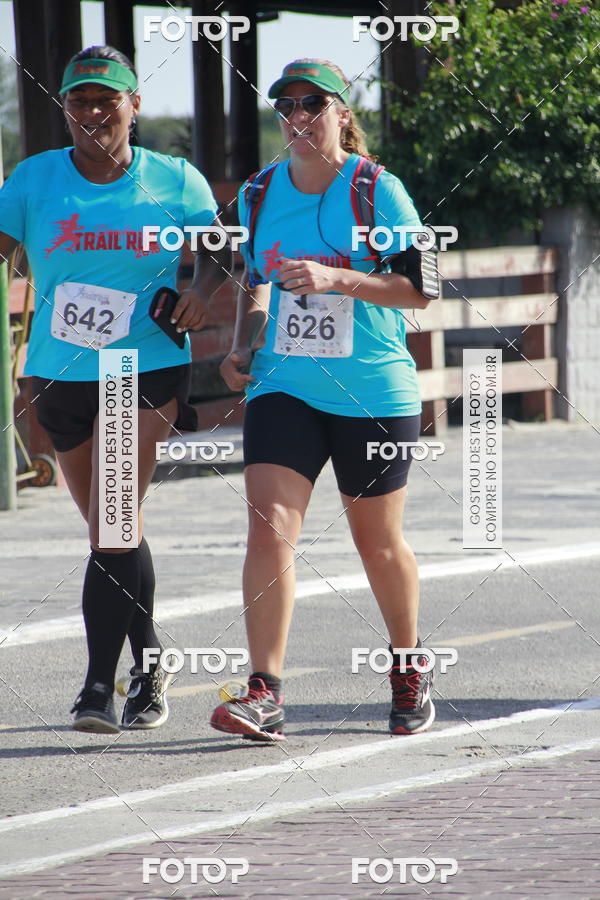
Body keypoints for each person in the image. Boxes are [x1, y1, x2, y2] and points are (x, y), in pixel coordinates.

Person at [0, 46, 229, 733]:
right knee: (113, 531)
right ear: (64, 109)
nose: (94, 113)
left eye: (107, 100)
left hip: (143, 369)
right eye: (80, 101)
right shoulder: (32, 181)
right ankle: (152, 663)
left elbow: (222, 249)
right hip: (59, 374)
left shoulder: (176, 180)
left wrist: (201, 289)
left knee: (114, 524)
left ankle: (98, 688)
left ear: (133, 106)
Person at [210, 59, 438, 742]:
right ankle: (265, 690)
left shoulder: (378, 191)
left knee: (377, 543)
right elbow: (257, 282)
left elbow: (420, 291)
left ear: (342, 113)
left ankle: (408, 665)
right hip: (287, 382)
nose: (299, 117)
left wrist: (337, 277)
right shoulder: (257, 193)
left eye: (314, 104)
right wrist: (242, 346)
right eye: (287, 106)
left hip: (371, 384)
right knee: (268, 524)